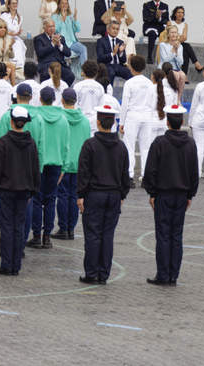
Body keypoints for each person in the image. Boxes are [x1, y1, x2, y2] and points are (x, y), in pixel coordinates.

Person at [142, 104, 198, 286]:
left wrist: (152, 192)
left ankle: (163, 273)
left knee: (163, 234)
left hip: (163, 194)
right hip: (181, 195)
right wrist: (190, 194)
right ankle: (174, 273)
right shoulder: (190, 143)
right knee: (176, 235)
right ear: (181, 121)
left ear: (167, 122)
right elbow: (193, 171)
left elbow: (150, 170)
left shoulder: (160, 143)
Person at [77, 104, 131, 284]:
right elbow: (125, 173)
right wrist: (122, 194)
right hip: (113, 194)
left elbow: (83, 172)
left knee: (92, 234)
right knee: (108, 235)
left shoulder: (90, 145)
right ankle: (103, 273)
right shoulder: (121, 147)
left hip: (94, 194)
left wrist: (80, 194)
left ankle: (91, 272)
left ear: (98, 122)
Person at [0, 106, 40, 276]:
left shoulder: (4, 142)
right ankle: (16, 264)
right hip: (24, 190)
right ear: (25, 123)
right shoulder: (31, 143)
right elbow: (35, 168)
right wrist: (33, 190)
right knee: (19, 227)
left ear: (11, 121)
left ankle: (6, 263)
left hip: (6, 189)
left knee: (6, 227)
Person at [27, 87, 69, 249]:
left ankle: (36, 234)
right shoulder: (63, 119)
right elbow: (66, 145)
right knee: (51, 199)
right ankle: (47, 236)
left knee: (37, 199)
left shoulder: (36, 117)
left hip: (39, 162)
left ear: (40, 99)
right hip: (57, 162)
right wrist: (64, 166)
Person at [52, 89, 90, 241]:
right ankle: (71, 228)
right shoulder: (85, 121)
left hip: (64, 161)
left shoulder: (60, 118)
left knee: (62, 196)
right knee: (75, 196)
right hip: (79, 163)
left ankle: (63, 227)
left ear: (62, 100)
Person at [119, 56, 155, 180]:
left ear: (131, 67)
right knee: (145, 147)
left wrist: (121, 122)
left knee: (129, 146)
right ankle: (145, 175)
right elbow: (153, 102)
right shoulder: (149, 83)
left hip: (133, 116)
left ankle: (129, 175)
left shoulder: (129, 83)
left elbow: (124, 104)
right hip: (146, 116)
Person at [34, 19, 75, 86]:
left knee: (71, 76)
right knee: (46, 76)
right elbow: (40, 53)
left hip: (60, 65)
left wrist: (59, 45)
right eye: (50, 27)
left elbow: (68, 53)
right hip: (46, 65)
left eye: (53, 26)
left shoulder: (60, 38)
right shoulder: (39, 38)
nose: (52, 28)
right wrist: (52, 44)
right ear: (44, 28)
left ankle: (62, 91)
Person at [52, 0, 87, 65]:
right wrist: (62, 19)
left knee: (83, 48)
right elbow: (55, 30)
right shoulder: (54, 16)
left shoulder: (70, 16)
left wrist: (75, 18)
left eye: (66, 3)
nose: (64, 5)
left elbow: (77, 29)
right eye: (62, 3)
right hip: (61, 42)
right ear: (59, 5)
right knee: (63, 55)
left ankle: (85, 71)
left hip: (72, 42)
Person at [73, 61, 105, 134]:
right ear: (96, 73)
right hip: (95, 122)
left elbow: (75, 105)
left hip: (80, 120)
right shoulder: (100, 87)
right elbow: (101, 107)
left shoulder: (77, 86)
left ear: (83, 72)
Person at [97, 21, 131, 85]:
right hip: (106, 65)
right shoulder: (101, 41)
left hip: (118, 65)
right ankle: (109, 92)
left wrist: (121, 52)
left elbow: (123, 61)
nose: (115, 31)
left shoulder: (120, 42)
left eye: (117, 29)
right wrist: (113, 53)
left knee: (130, 73)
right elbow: (100, 58)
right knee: (111, 72)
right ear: (108, 29)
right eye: (113, 28)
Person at [0, 0, 27, 77]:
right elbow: (0, 28)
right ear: (9, 5)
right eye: (13, 3)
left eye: (16, 3)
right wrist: (10, 34)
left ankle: (18, 67)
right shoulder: (4, 16)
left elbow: (17, 30)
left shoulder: (20, 17)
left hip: (15, 37)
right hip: (5, 37)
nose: (15, 5)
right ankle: (11, 65)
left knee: (18, 44)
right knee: (12, 44)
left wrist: (17, 33)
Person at [158, 26, 186, 102]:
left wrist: (176, 51)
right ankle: (173, 98)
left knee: (183, 75)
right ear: (168, 34)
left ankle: (178, 99)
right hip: (165, 67)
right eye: (172, 32)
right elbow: (165, 59)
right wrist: (173, 49)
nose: (173, 34)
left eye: (175, 32)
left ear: (177, 34)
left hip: (176, 68)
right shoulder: (163, 45)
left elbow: (181, 62)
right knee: (176, 75)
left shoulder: (180, 46)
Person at [142, 0, 169, 64]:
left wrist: (160, 18)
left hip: (160, 27)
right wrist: (156, 16)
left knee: (169, 34)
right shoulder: (147, 5)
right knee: (152, 34)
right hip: (149, 26)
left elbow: (166, 19)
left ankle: (166, 57)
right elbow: (145, 18)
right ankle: (150, 57)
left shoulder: (165, 6)